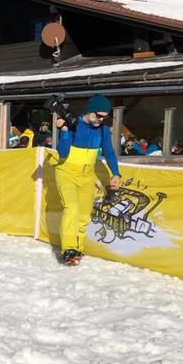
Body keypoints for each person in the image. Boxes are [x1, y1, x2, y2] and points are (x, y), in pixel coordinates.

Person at [55, 93, 121, 266]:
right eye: (98, 115)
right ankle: (68, 248)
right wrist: (64, 131)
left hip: (87, 175)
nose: (101, 119)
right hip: (67, 172)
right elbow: (62, 153)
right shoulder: (73, 125)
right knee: (72, 208)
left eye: (105, 117)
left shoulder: (102, 130)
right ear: (90, 111)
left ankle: (78, 248)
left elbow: (109, 152)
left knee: (84, 215)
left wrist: (115, 173)